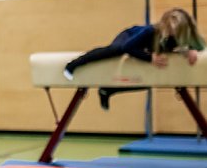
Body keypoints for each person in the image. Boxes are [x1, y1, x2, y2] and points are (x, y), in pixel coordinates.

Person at [64, 7, 205, 109]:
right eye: (170, 30)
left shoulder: (186, 34)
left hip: (145, 49)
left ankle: (108, 90)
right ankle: (73, 65)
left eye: (176, 32)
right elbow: (127, 47)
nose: (172, 34)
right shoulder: (151, 31)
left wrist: (191, 50)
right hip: (130, 38)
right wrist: (149, 58)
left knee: (146, 81)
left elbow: (201, 46)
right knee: (116, 50)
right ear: (164, 26)